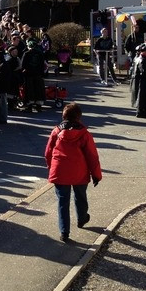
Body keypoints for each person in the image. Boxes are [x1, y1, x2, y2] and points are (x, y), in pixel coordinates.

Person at [44, 102, 102, 242]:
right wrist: (96, 174)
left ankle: (64, 232)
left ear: (63, 116)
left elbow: (48, 153)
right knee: (80, 196)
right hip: (79, 170)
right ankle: (82, 218)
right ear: (79, 117)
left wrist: (51, 167)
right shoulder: (84, 133)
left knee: (63, 202)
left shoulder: (56, 131)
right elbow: (92, 156)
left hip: (60, 170)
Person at [131, 44, 146, 118]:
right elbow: (144, 71)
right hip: (143, 80)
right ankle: (141, 111)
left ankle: (145, 110)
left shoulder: (139, 58)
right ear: (145, 52)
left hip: (142, 80)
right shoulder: (143, 60)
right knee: (142, 97)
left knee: (144, 96)